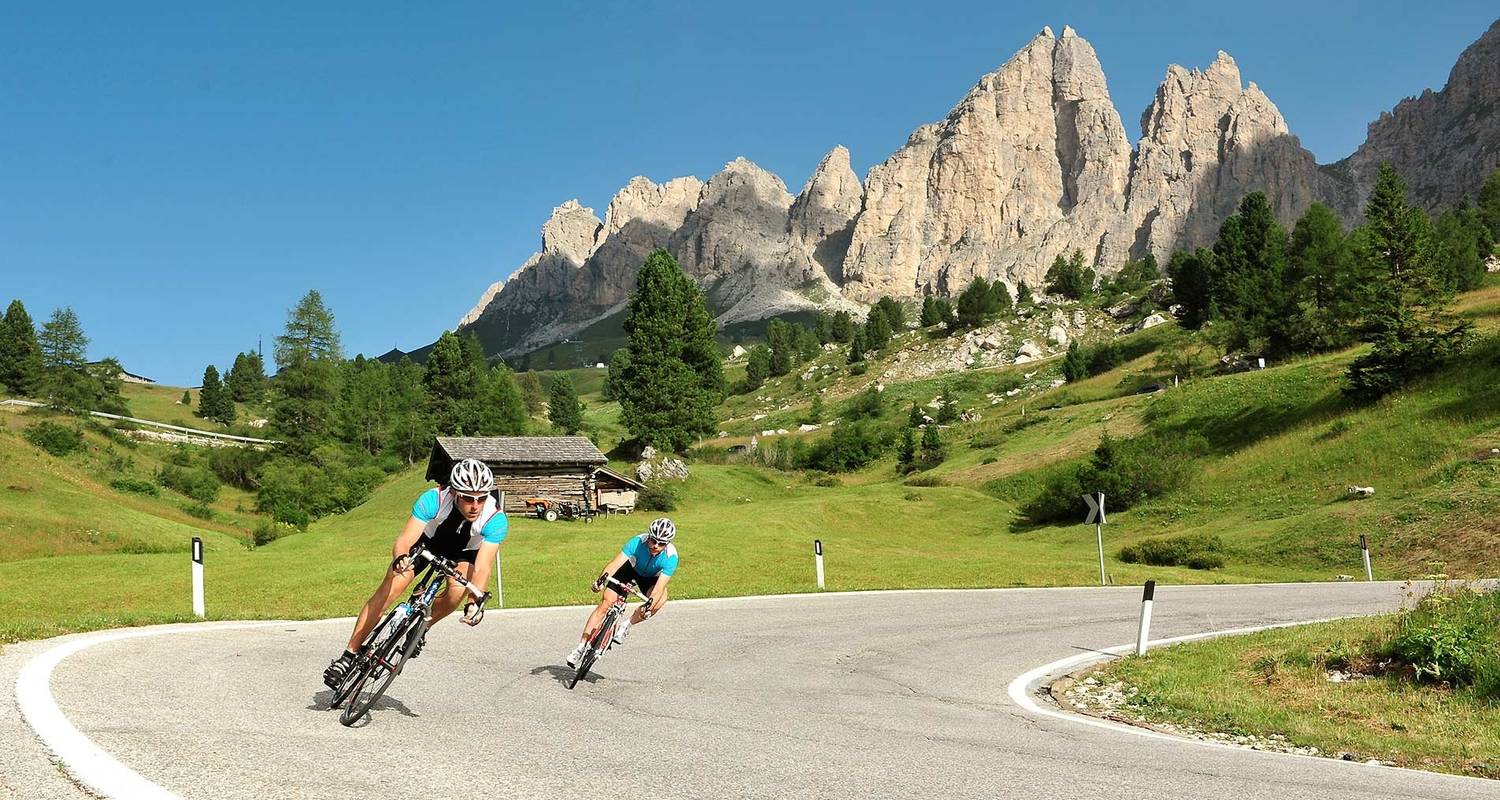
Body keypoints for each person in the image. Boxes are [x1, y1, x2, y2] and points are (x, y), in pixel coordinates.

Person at [323, 458, 506, 688]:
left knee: (457, 591)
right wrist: (401, 558)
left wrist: (474, 601)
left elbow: (482, 567)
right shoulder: (433, 499)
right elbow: (405, 539)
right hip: (427, 544)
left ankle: (421, 628)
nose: (475, 505)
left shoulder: (495, 518)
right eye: (468, 498)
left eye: (481, 498)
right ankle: (348, 656)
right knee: (392, 588)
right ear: (455, 492)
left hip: (464, 554)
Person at [566, 517, 678, 668]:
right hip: (629, 570)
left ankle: (626, 625)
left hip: (651, 579)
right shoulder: (637, 541)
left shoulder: (671, 557)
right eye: (653, 540)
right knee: (605, 603)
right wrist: (600, 581)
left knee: (661, 599)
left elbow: (658, 589)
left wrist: (648, 607)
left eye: (661, 543)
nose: (655, 546)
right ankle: (580, 647)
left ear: (668, 543)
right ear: (648, 537)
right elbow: (614, 565)